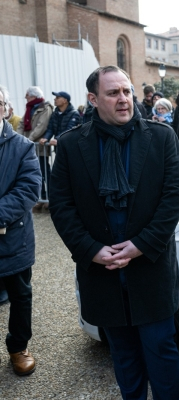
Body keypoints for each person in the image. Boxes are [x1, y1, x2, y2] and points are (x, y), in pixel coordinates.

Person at [49, 66, 179, 399]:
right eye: (114, 93)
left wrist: (141, 245)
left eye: (127, 91)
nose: (124, 99)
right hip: (103, 274)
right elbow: (62, 206)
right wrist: (90, 249)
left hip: (149, 270)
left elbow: (174, 198)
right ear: (93, 99)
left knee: (163, 357)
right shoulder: (70, 146)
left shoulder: (161, 137)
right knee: (124, 359)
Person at [0, 85, 42, 376]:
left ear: (6, 108)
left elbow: (28, 190)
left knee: (20, 296)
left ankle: (18, 347)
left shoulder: (22, 146)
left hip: (13, 238)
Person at [38, 91, 82, 211]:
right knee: (60, 173)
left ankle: (73, 201)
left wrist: (57, 139)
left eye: (58, 97)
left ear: (65, 100)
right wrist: (46, 138)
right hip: (59, 149)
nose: (55, 99)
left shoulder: (74, 114)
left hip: (71, 150)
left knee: (71, 173)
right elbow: (50, 128)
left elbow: (70, 130)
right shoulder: (55, 113)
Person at [17, 87, 53, 208]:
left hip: (39, 147)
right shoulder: (29, 108)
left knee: (44, 172)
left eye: (27, 95)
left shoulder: (45, 107)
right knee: (33, 173)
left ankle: (50, 197)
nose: (25, 97)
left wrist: (27, 140)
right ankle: (41, 197)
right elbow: (22, 124)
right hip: (29, 145)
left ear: (33, 96)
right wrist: (19, 139)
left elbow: (41, 126)